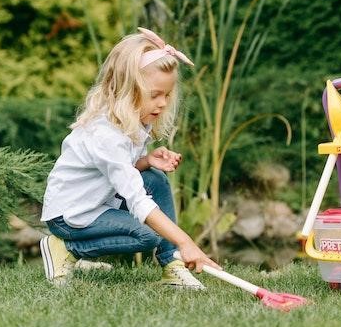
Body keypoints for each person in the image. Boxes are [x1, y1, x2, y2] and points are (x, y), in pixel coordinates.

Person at [39, 27, 220, 288]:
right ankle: (65, 247)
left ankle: (172, 264)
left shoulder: (132, 120)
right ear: (126, 89)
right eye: (155, 95)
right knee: (147, 236)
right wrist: (186, 242)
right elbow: (137, 202)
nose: (162, 103)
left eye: (167, 95)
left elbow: (118, 171)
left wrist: (146, 162)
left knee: (154, 178)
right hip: (71, 215)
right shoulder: (106, 134)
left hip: (97, 204)